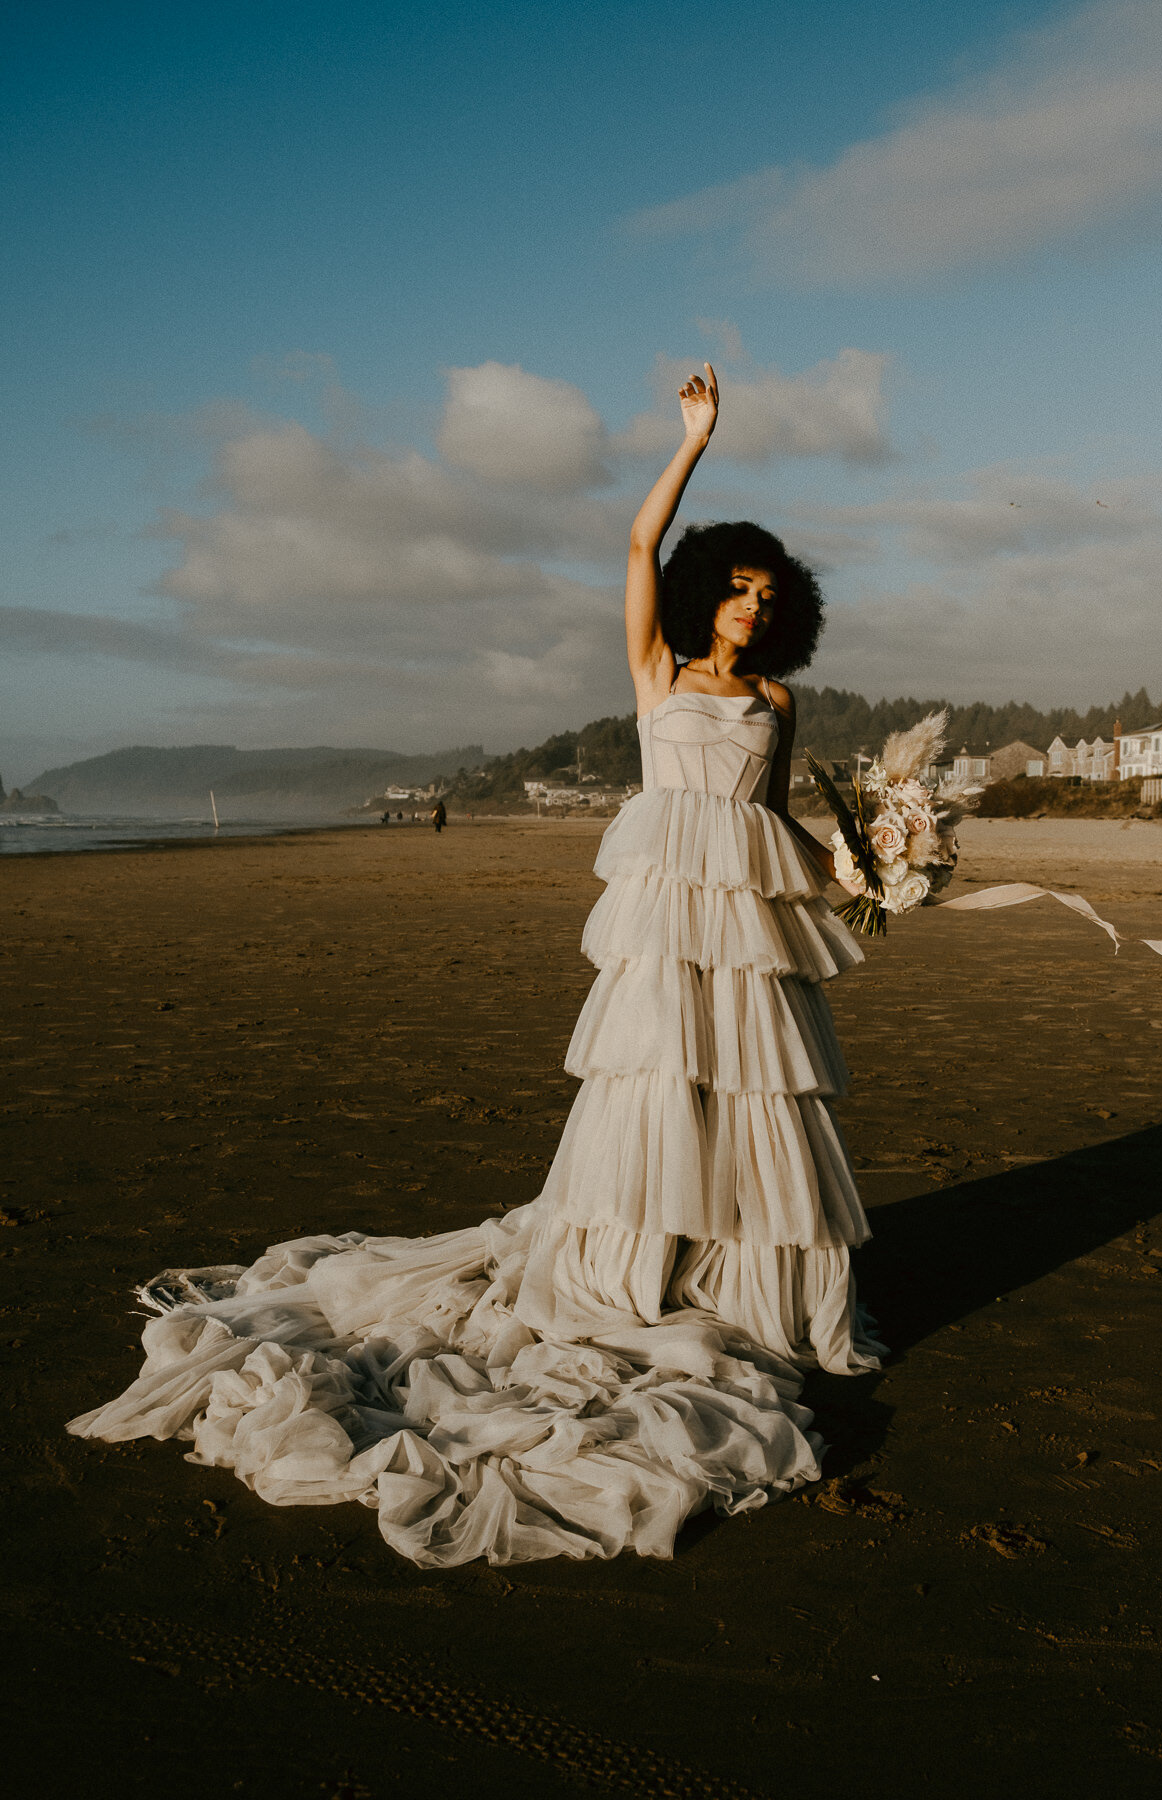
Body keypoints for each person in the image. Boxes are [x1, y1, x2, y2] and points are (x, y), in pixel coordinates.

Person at [68, 362, 883, 1568]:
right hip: (665, 922)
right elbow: (634, 539)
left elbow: (775, 828)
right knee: (655, 1091)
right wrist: (694, 440)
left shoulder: (775, 698)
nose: (751, 611)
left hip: (746, 928)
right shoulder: (658, 676)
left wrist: (870, 869)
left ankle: (735, 1274)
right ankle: (640, 1267)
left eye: (768, 596)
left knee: (750, 1100)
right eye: (736, 589)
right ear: (706, 594)